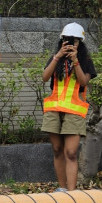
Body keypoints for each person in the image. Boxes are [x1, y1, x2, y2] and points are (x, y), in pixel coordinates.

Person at [41, 22, 96, 192]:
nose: (71, 43)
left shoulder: (85, 60)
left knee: (71, 152)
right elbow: (44, 77)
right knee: (57, 150)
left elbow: (84, 81)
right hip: (54, 109)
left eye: (75, 41)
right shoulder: (56, 58)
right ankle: (62, 189)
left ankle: (72, 193)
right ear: (62, 40)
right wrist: (58, 56)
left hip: (74, 111)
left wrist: (76, 61)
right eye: (67, 40)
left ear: (81, 43)